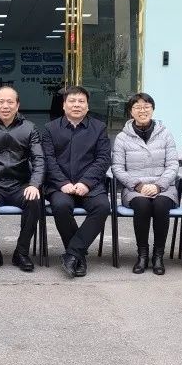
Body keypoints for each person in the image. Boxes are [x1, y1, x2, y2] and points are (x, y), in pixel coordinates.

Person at [0, 85, 45, 272]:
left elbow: (39, 159)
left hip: (21, 185)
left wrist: (34, 184)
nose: (5, 106)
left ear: (17, 105)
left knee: (34, 201)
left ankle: (21, 252)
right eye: (1, 102)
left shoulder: (30, 128)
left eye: (10, 102)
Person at [40, 85, 111, 278]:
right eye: (72, 101)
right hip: (59, 186)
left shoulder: (99, 128)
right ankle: (78, 255)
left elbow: (103, 159)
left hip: (90, 186)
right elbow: (48, 159)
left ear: (87, 106)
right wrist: (62, 182)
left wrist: (86, 182)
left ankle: (72, 254)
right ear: (64, 105)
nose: (76, 105)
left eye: (81, 101)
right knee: (61, 206)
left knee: (102, 207)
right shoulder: (50, 129)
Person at [111, 92, 179, 276]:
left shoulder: (165, 134)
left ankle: (158, 255)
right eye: (137, 107)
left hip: (164, 187)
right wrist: (138, 186)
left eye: (146, 106)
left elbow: (173, 165)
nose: (142, 110)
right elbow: (117, 168)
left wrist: (158, 186)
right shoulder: (122, 137)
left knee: (160, 204)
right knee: (142, 204)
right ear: (130, 111)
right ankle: (142, 254)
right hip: (134, 188)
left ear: (153, 109)